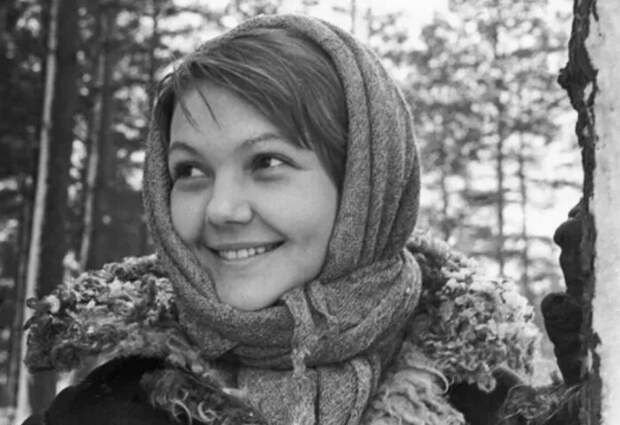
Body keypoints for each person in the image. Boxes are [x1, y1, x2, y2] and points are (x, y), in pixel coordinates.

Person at [22, 14, 582, 425]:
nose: (220, 209)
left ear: (365, 184)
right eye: (190, 171)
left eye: (267, 162)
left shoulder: (495, 408)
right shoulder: (101, 411)